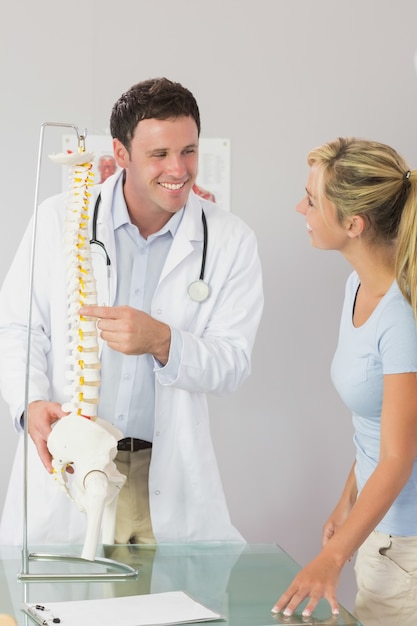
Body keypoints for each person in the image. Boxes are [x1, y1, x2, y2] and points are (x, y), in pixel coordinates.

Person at [0, 77, 263, 546]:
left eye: (189, 151)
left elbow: (233, 364)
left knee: (164, 610)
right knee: (59, 611)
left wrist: (164, 341)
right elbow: (17, 327)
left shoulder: (230, 240)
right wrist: (31, 403)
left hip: (159, 472)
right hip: (72, 458)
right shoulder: (58, 220)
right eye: (159, 155)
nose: (178, 169)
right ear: (120, 155)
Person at [272, 138, 417, 626]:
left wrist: (332, 560)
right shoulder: (357, 285)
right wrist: (346, 499)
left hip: (408, 544)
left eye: (312, 201)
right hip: (381, 530)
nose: (301, 208)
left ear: (354, 224)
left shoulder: (402, 317)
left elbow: (399, 457)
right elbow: (375, 419)